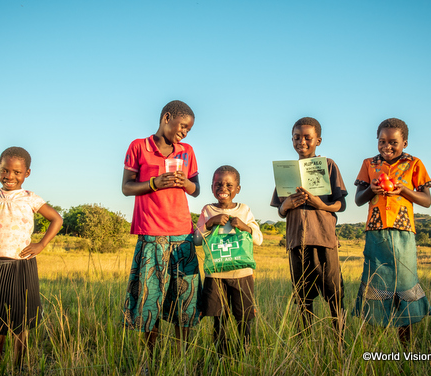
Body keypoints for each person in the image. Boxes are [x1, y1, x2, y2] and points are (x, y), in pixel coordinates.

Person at [0, 147, 63, 365]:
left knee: (22, 319)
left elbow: (56, 219)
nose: (10, 176)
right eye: (5, 170)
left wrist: (41, 244)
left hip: (23, 265)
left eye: (17, 172)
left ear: (27, 173)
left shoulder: (30, 198)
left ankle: (19, 365)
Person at [122, 100, 201, 354]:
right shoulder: (138, 147)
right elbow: (126, 187)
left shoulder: (187, 151)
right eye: (183, 126)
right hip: (151, 233)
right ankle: (150, 358)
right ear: (167, 117)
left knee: (185, 299)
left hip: (183, 234)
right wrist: (155, 183)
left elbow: (196, 189)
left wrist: (182, 183)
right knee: (149, 298)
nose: (185, 132)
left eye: (188, 129)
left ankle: (180, 358)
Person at [352, 118, 431, 344]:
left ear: (404, 143)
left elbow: (426, 201)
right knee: (376, 283)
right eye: (382, 141)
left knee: (404, 283)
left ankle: (404, 342)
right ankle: (374, 338)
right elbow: (359, 199)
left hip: (404, 232)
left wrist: (404, 190)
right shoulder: (369, 163)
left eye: (393, 142)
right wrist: (372, 189)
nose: (387, 146)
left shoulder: (414, 163)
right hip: (376, 232)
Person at [270, 117, 347, 337]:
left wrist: (320, 204)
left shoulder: (328, 165)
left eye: (307, 138)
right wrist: (286, 205)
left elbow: (341, 204)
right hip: (296, 241)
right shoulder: (286, 171)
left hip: (323, 239)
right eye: (296, 137)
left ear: (318, 140)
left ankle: (339, 341)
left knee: (334, 295)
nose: (301, 141)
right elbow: (281, 210)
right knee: (303, 298)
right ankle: (306, 343)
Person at [194, 165, 263, 355]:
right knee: (219, 317)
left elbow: (258, 239)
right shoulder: (208, 210)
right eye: (218, 184)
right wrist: (210, 223)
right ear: (212, 187)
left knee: (243, 317)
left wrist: (244, 227)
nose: (223, 188)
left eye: (229, 185)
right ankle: (220, 354)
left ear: (238, 189)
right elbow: (197, 240)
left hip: (242, 274)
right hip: (216, 274)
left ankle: (244, 352)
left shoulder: (245, 210)